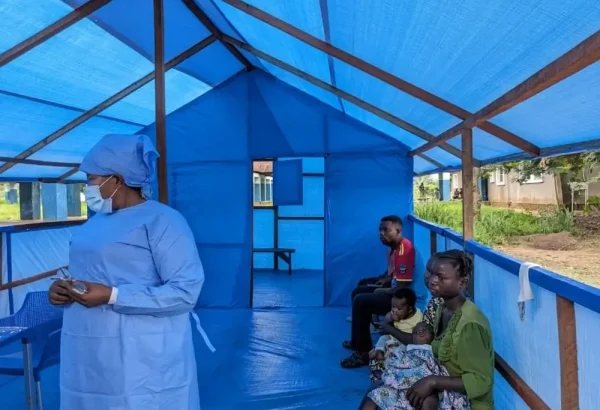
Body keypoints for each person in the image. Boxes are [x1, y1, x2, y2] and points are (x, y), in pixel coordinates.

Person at [48, 134, 210, 410]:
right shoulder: (95, 223)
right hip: (87, 351)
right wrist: (61, 290)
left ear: (117, 180)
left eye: (92, 179)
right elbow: (87, 272)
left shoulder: (163, 221)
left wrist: (113, 295)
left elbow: (185, 292)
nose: (87, 187)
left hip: (143, 356)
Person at [360, 250, 494, 410]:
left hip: (466, 400)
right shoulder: (442, 308)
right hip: (441, 385)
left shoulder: (470, 324)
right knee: (377, 391)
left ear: (462, 283)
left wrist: (432, 381)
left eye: (441, 277)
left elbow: (481, 381)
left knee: (381, 397)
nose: (432, 281)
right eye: (430, 273)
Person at [341, 216, 415, 368]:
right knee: (359, 290)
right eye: (380, 230)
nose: (381, 233)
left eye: (385, 230)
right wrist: (381, 280)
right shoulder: (394, 249)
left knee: (362, 301)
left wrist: (380, 290)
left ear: (398, 230)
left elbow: (402, 287)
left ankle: (363, 353)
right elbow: (393, 276)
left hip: (405, 300)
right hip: (397, 292)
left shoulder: (404, 249)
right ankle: (358, 342)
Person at [360, 322, 471, 410]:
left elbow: (436, 369)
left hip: (425, 382)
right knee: (374, 396)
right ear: (412, 338)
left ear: (433, 336)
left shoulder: (434, 349)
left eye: (425, 330)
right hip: (400, 382)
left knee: (430, 400)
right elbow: (395, 364)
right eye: (417, 332)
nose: (421, 332)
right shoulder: (406, 348)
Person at [369, 288, 423, 382]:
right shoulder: (395, 313)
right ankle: (379, 351)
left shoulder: (419, 318)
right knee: (383, 338)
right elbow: (386, 320)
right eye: (392, 307)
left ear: (410, 309)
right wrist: (391, 317)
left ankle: (390, 370)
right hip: (392, 338)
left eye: (398, 309)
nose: (394, 310)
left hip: (404, 343)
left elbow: (414, 339)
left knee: (400, 350)